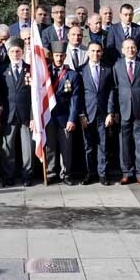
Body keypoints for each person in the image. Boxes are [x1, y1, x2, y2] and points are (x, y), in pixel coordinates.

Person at [113, 38, 140, 185]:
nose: (130, 50)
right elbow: (115, 89)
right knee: (124, 143)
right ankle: (126, 172)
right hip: (123, 110)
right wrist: (114, 111)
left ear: (137, 49)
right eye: (127, 48)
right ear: (122, 50)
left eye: (133, 47)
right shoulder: (117, 66)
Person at [45, 41, 81, 186]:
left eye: (61, 55)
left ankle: (66, 174)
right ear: (52, 56)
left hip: (65, 116)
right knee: (50, 147)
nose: (59, 58)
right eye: (56, 55)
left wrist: (72, 119)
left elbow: (75, 99)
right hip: (48, 116)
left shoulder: (72, 75)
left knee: (66, 148)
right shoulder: (45, 73)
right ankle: (51, 173)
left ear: (65, 56)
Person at [0, 38, 34, 187]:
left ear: (23, 52)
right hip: (9, 114)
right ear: (8, 53)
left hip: (26, 115)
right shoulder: (3, 70)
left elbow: (36, 97)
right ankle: (9, 175)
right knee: (8, 147)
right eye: (12, 52)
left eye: (18, 51)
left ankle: (27, 175)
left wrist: (33, 117)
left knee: (28, 147)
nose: (15, 54)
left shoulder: (31, 69)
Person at [80, 41, 115, 185]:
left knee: (103, 145)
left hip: (102, 114)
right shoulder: (81, 70)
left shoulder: (107, 69)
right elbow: (79, 94)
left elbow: (111, 92)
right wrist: (81, 114)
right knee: (88, 146)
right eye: (93, 51)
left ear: (102, 53)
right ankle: (90, 173)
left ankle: (102, 174)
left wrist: (110, 112)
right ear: (88, 53)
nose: (96, 54)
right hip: (87, 114)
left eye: (98, 51)